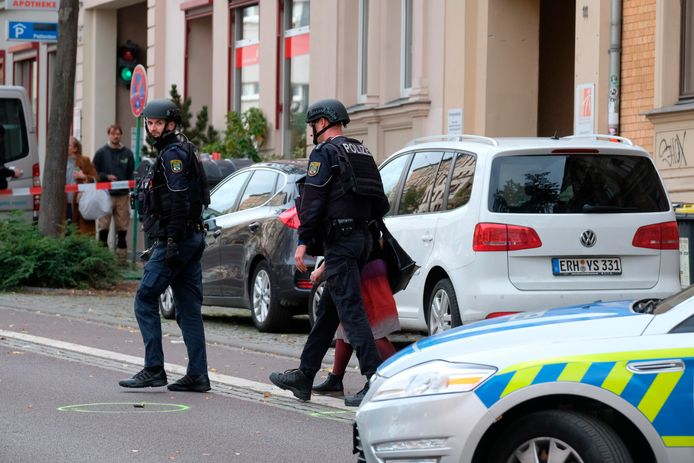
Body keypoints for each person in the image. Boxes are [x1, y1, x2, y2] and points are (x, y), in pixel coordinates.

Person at [269, 98, 390, 407]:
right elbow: (381, 202)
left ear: (322, 122)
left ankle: (375, 378)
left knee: (350, 310)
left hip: (342, 241)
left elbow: (313, 201)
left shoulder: (324, 153)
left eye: (313, 125)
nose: (313, 130)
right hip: (362, 238)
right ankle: (305, 376)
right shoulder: (362, 151)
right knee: (329, 313)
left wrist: (303, 242)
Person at [118, 99, 211, 392]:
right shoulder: (182, 149)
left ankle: (154, 369)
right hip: (190, 238)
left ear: (171, 124)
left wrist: (171, 242)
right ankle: (198, 375)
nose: (153, 127)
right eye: (150, 122)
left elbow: (179, 200)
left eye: (158, 123)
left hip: (178, 239)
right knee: (188, 309)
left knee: (145, 298)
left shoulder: (173, 154)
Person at [310, 233, 400, 395]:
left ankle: (401, 379)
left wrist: (323, 267)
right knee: (345, 325)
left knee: (372, 330)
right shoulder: (365, 208)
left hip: (363, 267)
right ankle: (335, 379)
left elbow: (347, 235)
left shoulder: (351, 209)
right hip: (364, 262)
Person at [93, 124, 134, 264]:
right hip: (106, 194)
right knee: (103, 226)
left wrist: (130, 189)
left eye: (118, 134)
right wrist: (106, 177)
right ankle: (102, 259)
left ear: (121, 135)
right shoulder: (101, 153)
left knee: (122, 227)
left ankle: (121, 260)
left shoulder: (127, 153)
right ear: (108, 135)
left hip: (122, 195)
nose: (116, 136)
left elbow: (130, 174)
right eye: (113, 134)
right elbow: (94, 173)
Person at [66, 137, 98, 235]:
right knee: (66, 230)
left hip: (80, 202)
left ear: (75, 149)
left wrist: (84, 176)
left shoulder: (84, 161)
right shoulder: (60, 162)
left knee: (81, 231)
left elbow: (95, 179)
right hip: (64, 202)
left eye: (69, 145)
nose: (65, 147)